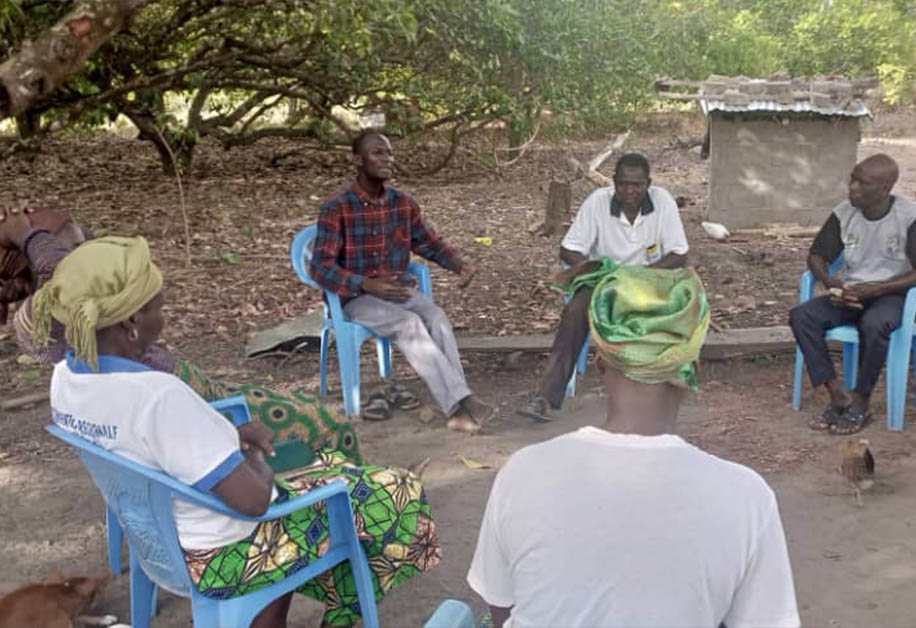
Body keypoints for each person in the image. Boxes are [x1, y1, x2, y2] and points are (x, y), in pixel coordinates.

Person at [39, 236, 440, 628]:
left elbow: (153, 440)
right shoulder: (158, 397)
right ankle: (339, 614)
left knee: (335, 471)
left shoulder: (66, 380)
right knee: (396, 495)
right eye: (158, 307)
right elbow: (253, 502)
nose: (163, 316)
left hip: (158, 543)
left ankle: (272, 610)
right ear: (130, 320)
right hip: (227, 554)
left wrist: (227, 433)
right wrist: (254, 452)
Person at [468, 262, 800, 628]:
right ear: (692, 370)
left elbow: (502, 612)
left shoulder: (523, 472)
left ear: (598, 363)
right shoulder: (747, 498)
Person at [0, 207, 367, 463]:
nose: (90, 258)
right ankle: (356, 519)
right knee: (329, 423)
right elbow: (64, 268)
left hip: (185, 405)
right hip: (201, 408)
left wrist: (26, 241)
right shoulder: (57, 317)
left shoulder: (50, 335)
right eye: (79, 253)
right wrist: (26, 233)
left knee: (293, 401)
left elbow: (68, 268)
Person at [311, 129, 492, 434]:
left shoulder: (402, 203)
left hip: (397, 289)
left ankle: (460, 402)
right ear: (358, 160)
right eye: (377, 153)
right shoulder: (337, 207)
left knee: (437, 317)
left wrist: (459, 264)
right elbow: (320, 267)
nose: (387, 159)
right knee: (409, 324)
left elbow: (429, 243)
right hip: (356, 297)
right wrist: (366, 284)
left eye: (390, 153)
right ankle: (459, 404)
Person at [518, 152, 689, 422]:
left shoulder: (663, 202)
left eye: (637, 185)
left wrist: (638, 277)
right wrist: (602, 271)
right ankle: (545, 397)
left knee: (683, 308)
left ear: (649, 183)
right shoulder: (597, 203)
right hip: (605, 282)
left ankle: (660, 395)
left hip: (648, 281)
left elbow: (679, 255)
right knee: (575, 311)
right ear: (613, 182)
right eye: (623, 184)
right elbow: (569, 250)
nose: (629, 191)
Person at [789, 153, 916, 435]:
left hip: (895, 295)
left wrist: (881, 288)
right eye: (852, 180)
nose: (853, 188)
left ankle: (861, 399)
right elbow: (817, 255)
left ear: (885, 189)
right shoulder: (844, 213)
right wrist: (830, 282)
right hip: (854, 293)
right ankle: (837, 393)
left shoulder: (910, 216)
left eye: (863, 183)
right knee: (802, 316)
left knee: (874, 324)